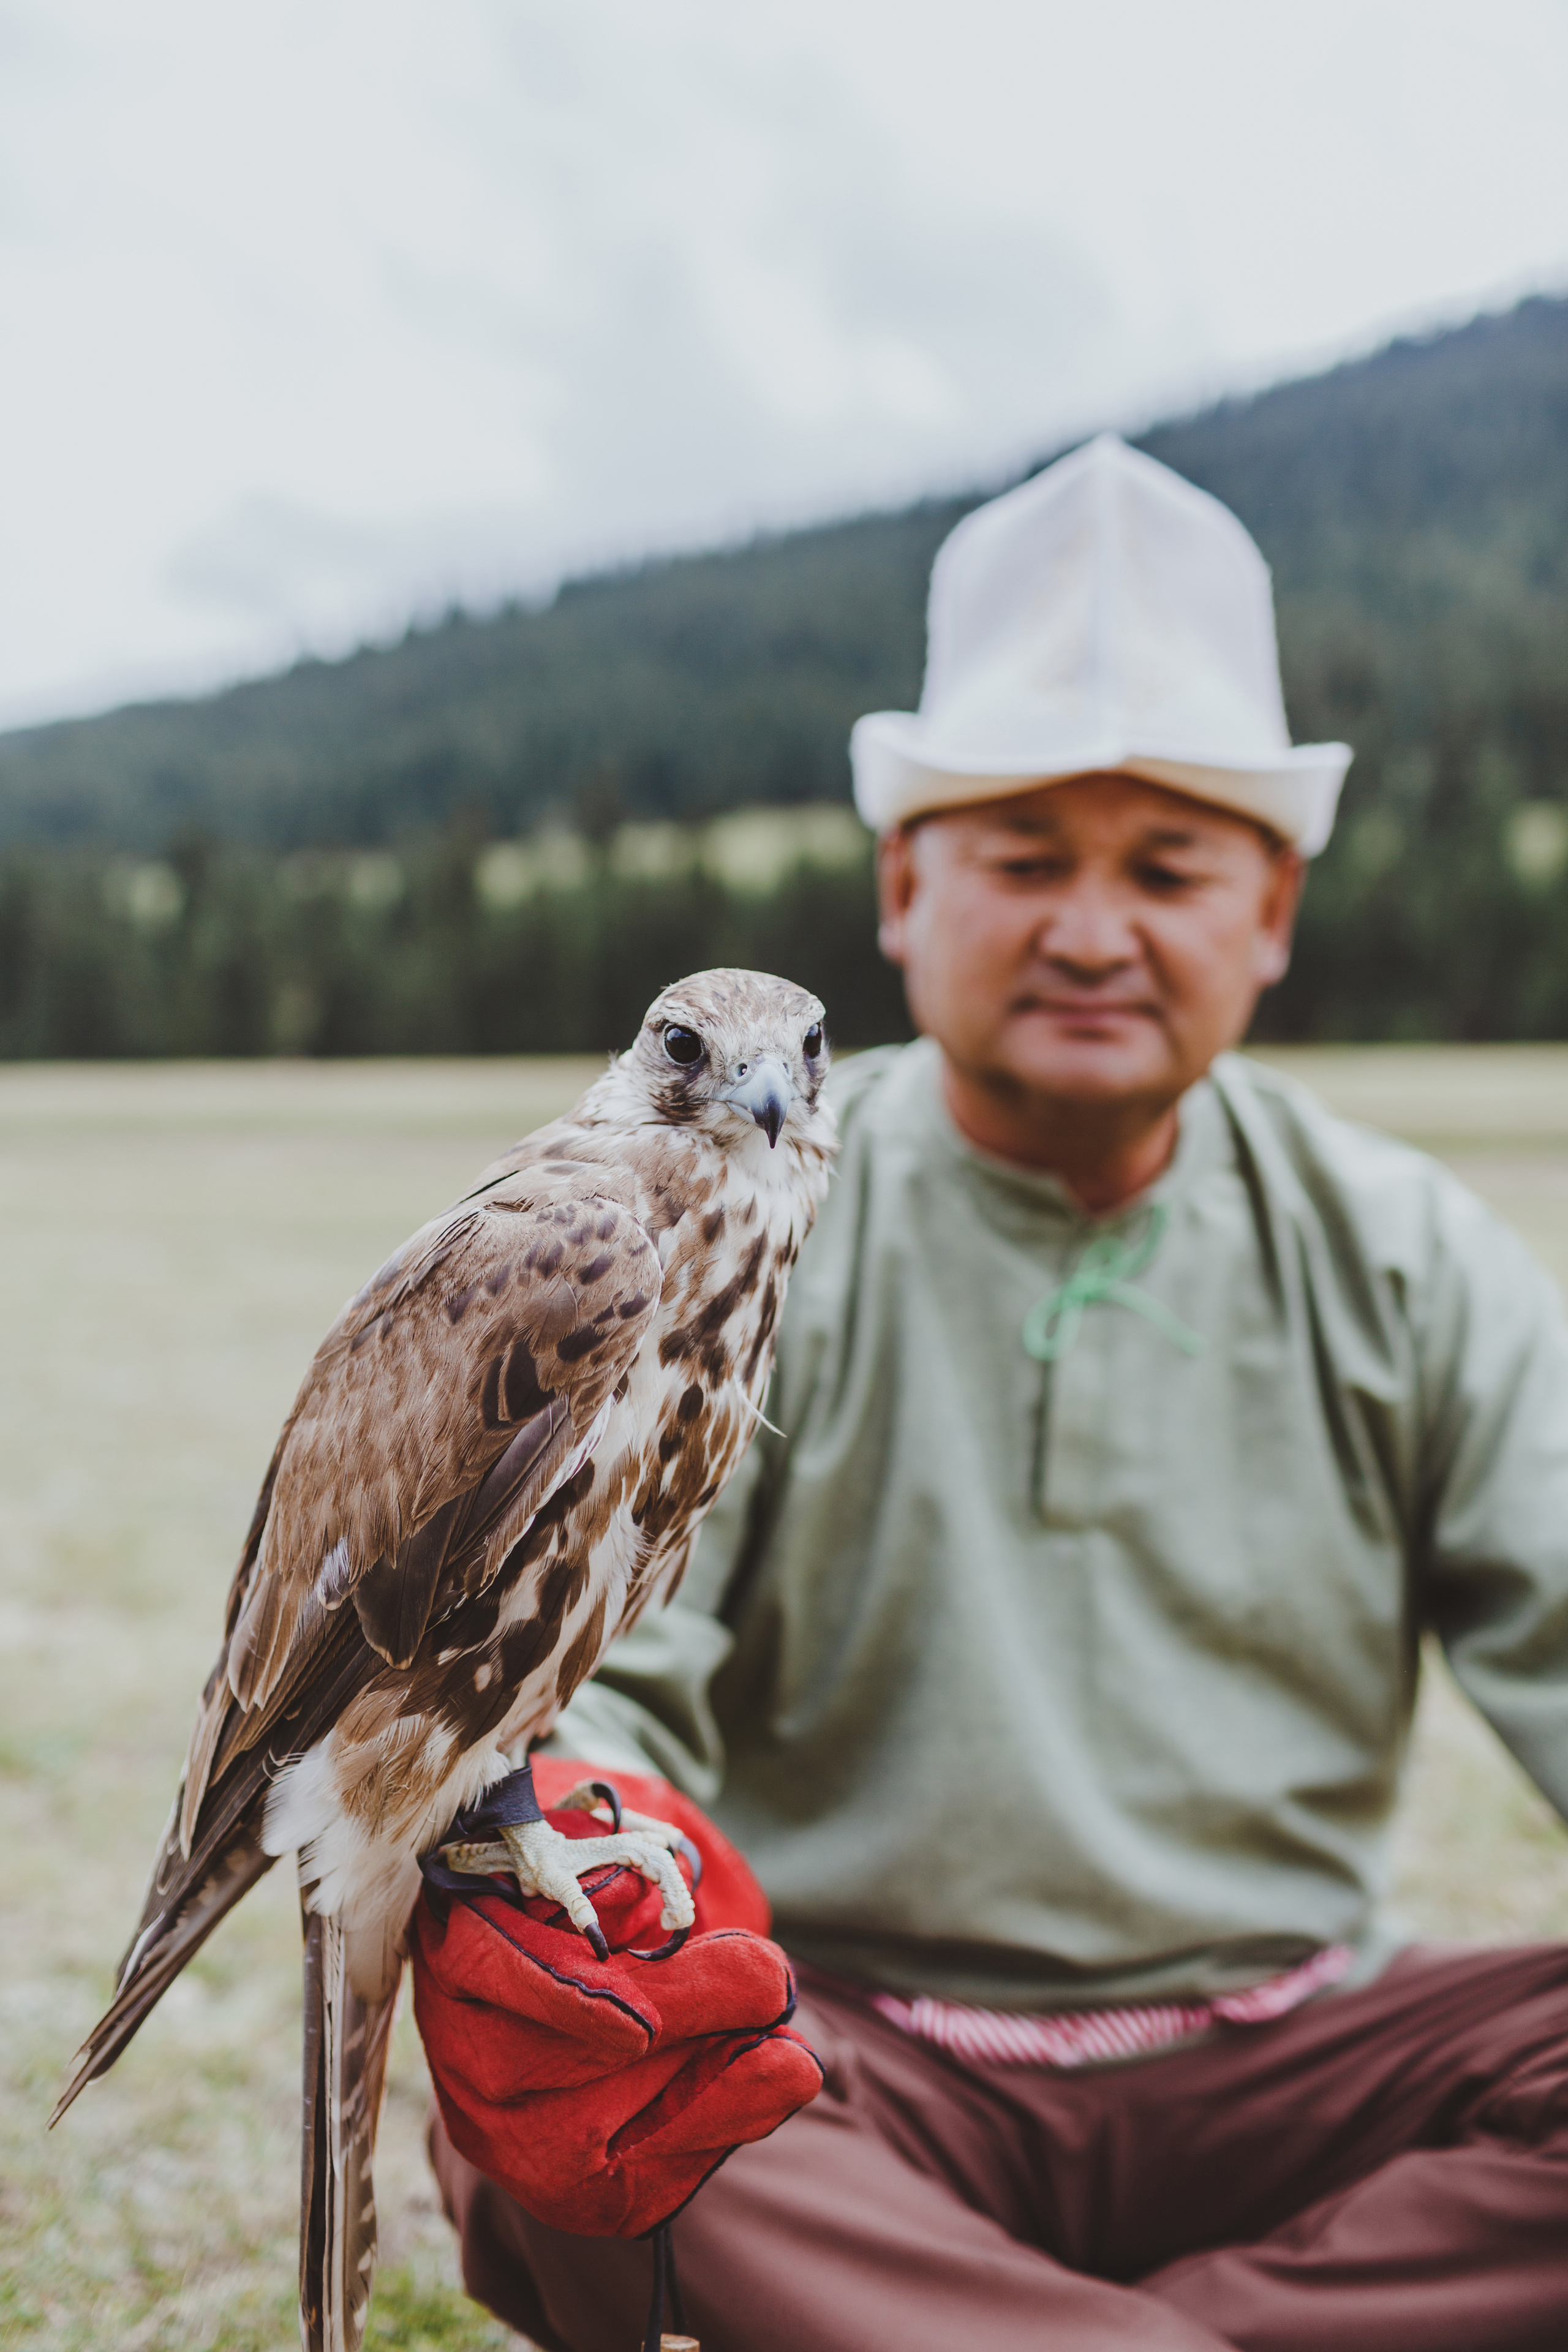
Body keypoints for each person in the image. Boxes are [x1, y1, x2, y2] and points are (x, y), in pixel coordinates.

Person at [428, 435, 1568, 2350]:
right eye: (1026, 861)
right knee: (564, 2082)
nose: (1094, 931)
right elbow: (593, 1689)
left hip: (1296, 2069)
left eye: (1170, 869)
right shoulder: (723, 1247)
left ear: (1273, 910)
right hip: (838, 2055)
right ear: (903, 885)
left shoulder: (1405, 1251)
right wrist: (585, 1895)